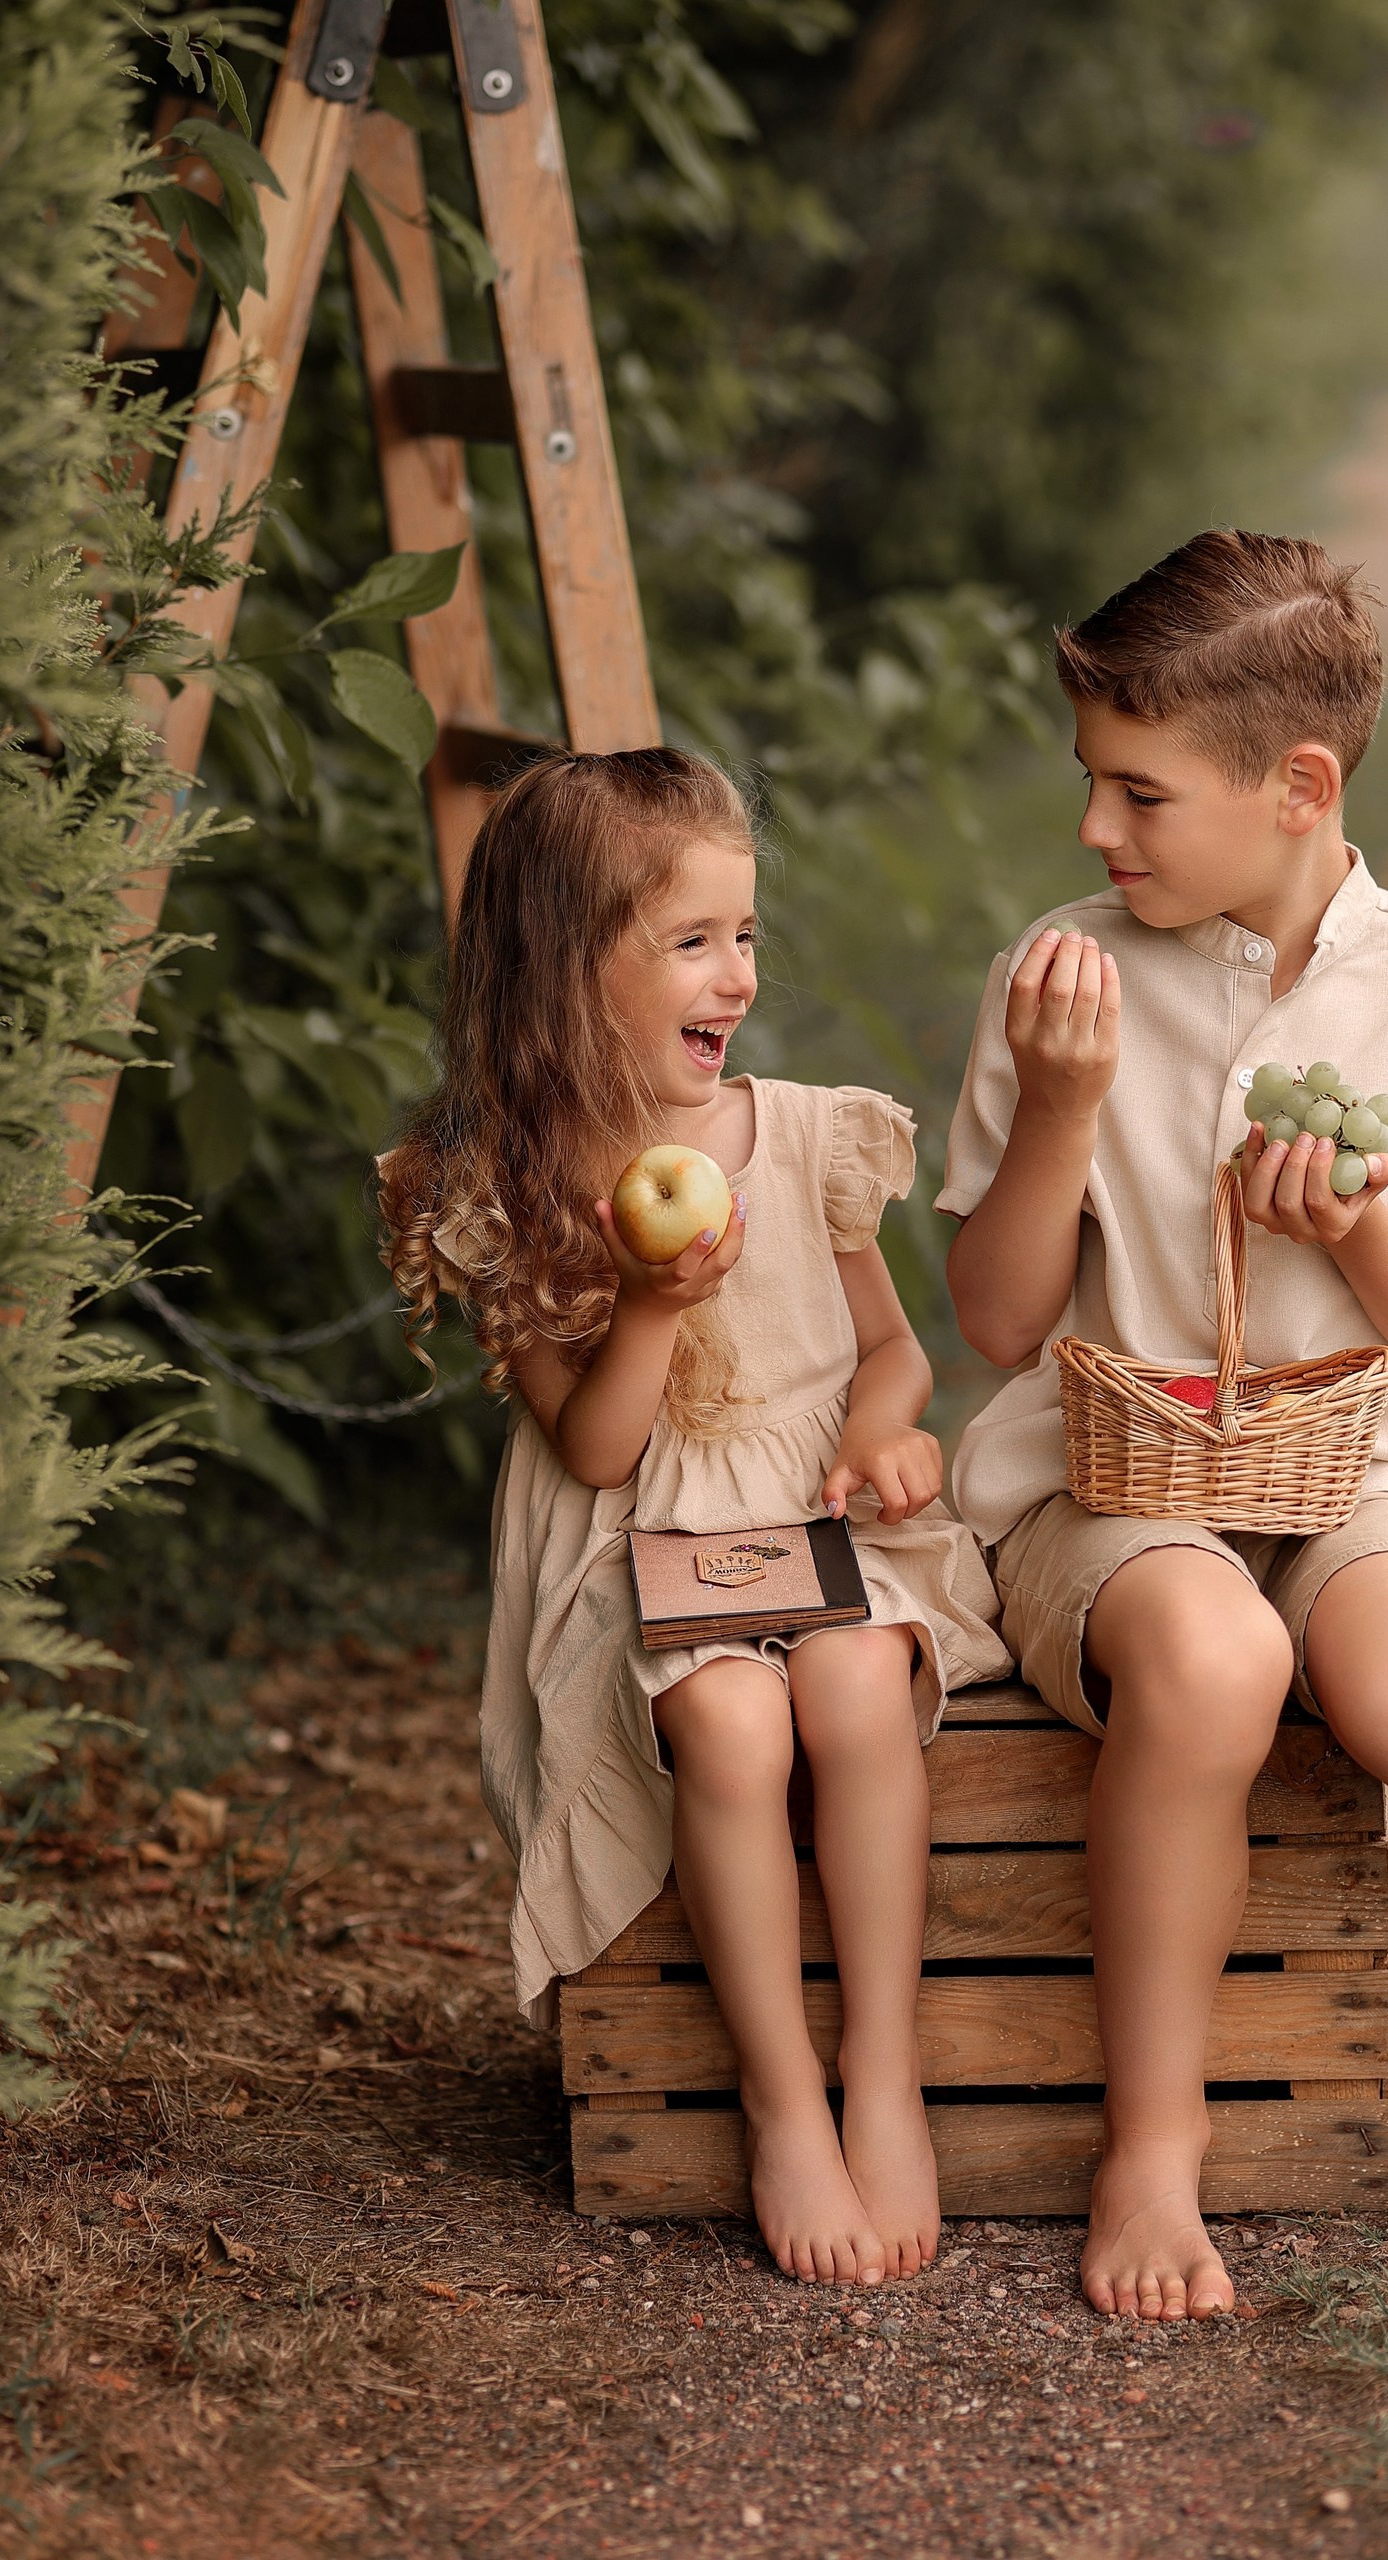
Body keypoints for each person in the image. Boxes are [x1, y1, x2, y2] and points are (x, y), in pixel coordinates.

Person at [939, 530, 1388, 2324]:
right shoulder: (1063, 977)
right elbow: (1002, 1322)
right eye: (1090, 784)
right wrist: (1062, 1113)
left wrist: (1363, 1235)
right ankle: (1155, 2144)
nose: (1096, 832)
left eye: (1138, 793)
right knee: (1208, 1661)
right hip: (1109, 1477)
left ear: (1298, 785)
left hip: (1361, 1462)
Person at [381, 747, 1008, 2288]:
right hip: (641, 1539)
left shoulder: (799, 1137)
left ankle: (884, 2076)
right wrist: (650, 1304)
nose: (733, 974)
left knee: (857, 1682)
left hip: (813, 1510)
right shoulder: (509, 1186)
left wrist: (887, 1438)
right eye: (689, 941)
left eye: (745, 937)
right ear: (562, 966)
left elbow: (893, 1349)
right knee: (730, 1725)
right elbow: (594, 1449)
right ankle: (779, 2097)